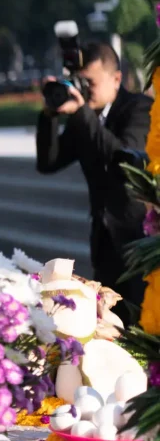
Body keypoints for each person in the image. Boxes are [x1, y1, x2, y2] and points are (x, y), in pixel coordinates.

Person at [36, 41, 152, 323]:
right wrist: (50, 116)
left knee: (140, 322)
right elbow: (49, 162)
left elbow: (125, 157)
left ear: (116, 78)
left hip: (140, 240)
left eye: (90, 82)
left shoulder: (138, 109)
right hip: (104, 244)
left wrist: (82, 115)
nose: (85, 90)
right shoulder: (84, 116)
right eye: (80, 81)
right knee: (108, 325)